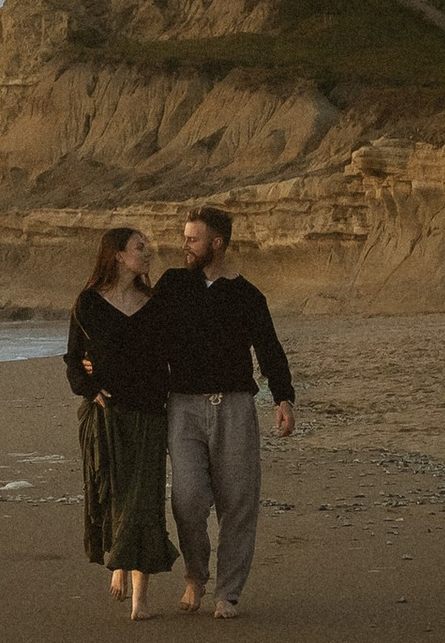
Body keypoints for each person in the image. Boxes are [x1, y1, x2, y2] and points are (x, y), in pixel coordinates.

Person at [142, 204, 295, 619]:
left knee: (238, 503)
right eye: (185, 237)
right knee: (187, 499)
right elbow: (143, 335)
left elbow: (270, 349)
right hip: (184, 407)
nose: (185, 245)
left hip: (235, 407)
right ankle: (196, 573)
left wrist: (284, 399)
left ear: (218, 243)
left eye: (193, 239)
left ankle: (228, 592)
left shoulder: (248, 296)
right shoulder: (172, 284)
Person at [62, 227, 173, 617]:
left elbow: (170, 356)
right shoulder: (89, 303)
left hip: (149, 413)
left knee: (145, 501)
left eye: (147, 248)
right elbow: (74, 358)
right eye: (140, 248)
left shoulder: (154, 303)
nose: (148, 254)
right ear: (118, 256)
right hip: (107, 415)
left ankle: (141, 598)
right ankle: (119, 562)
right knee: (112, 494)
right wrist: (89, 389)